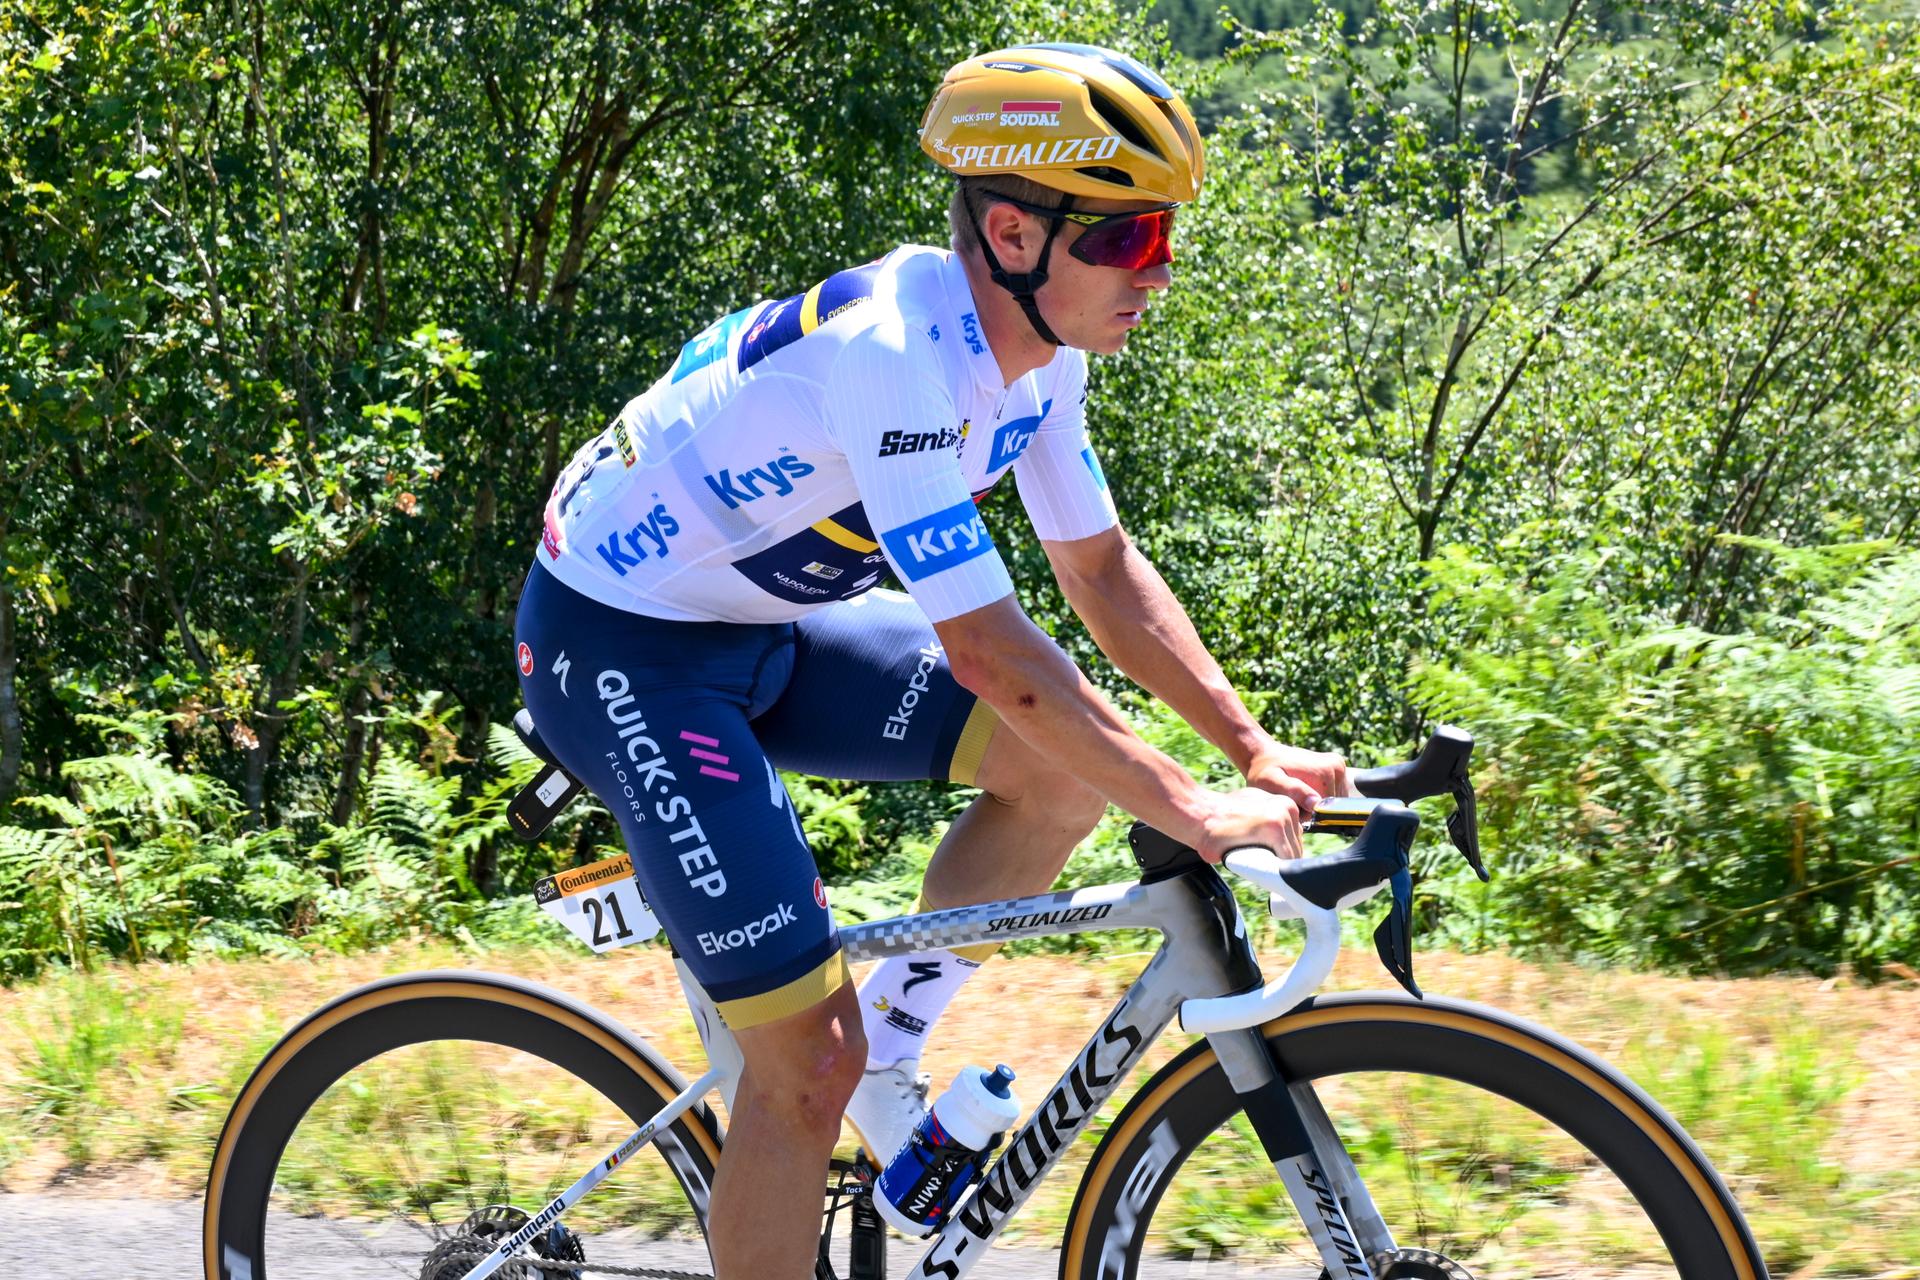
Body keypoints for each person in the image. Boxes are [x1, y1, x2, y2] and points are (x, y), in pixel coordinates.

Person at [512, 42, 1347, 1280]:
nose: (1156, 273)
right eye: (1127, 240)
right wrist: (1187, 807)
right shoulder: (897, 356)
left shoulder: (1040, 357)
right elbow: (992, 651)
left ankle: (891, 1053)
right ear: (1013, 232)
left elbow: (1102, 576)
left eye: (1164, 236)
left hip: (760, 618)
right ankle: (843, 1081)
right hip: (624, 646)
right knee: (804, 1070)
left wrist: (1248, 747)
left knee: (1060, 773)